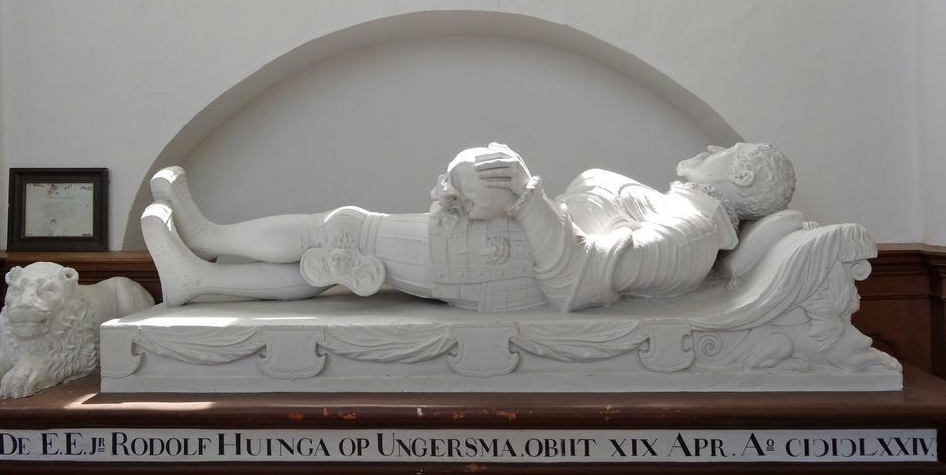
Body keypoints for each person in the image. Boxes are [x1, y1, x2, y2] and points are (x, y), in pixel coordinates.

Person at [142, 142, 795, 312]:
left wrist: (524, 193)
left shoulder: (687, 236)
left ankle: (206, 247)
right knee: (342, 253)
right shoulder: (680, 215)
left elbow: (577, 284)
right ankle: (200, 271)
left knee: (344, 233)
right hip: (498, 241)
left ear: (741, 177)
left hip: (500, 265)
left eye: (729, 153)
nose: (713, 148)